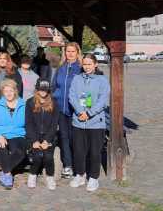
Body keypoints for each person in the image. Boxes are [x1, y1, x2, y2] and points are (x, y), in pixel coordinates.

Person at [69, 54, 110, 192]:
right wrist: (80, 111)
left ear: (95, 64)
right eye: (84, 64)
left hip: (96, 123)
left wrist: (89, 113)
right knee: (79, 151)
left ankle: (93, 178)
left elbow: (103, 100)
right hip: (78, 121)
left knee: (94, 152)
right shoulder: (76, 78)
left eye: (89, 64)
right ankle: (80, 174)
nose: (86, 67)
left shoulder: (102, 80)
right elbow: (72, 96)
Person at [0, 79, 26, 189]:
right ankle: (8, 175)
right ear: (3, 93)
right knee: (2, 148)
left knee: (19, 152)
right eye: (6, 91)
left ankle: (5, 171)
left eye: (11, 90)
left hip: (17, 134)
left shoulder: (23, 104)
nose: (8, 93)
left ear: (15, 91)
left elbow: (28, 122)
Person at [52, 42, 82, 179]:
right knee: (64, 137)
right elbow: (53, 86)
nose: (70, 54)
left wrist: (84, 108)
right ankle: (68, 166)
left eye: (72, 51)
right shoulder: (61, 68)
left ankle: (79, 165)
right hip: (61, 109)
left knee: (75, 138)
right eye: (68, 51)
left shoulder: (81, 69)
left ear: (77, 53)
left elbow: (87, 91)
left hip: (75, 110)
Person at [25, 79, 59, 190]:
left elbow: (54, 124)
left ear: (48, 90)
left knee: (48, 157)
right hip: (34, 135)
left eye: (45, 90)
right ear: (37, 89)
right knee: (37, 156)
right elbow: (28, 123)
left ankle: (50, 177)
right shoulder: (30, 102)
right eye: (41, 89)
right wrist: (34, 140)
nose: (43, 92)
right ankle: (32, 175)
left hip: (49, 136)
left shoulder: (54, 103)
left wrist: (47, 140)